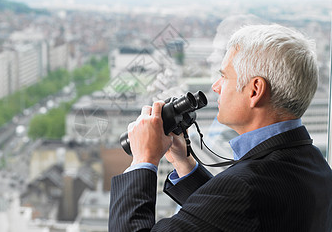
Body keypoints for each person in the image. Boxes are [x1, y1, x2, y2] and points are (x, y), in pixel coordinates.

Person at [109, 24, 332, 232]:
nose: (215, 87)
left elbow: (239, 199)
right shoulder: (316, 166)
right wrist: (183, 161)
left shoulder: (244, 189)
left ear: (255, 90)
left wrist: (143, 160)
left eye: (224, 76)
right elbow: (232, 217)